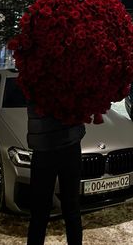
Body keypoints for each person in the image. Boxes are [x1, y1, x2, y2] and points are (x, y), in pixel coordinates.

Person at [26, 102, 86, 245]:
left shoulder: (32, 80)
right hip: (64, 145)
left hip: (46, 147)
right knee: (70, 210)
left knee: (40, 212)